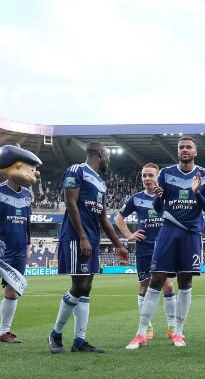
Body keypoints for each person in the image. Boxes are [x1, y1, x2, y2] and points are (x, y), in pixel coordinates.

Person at [134, 136, 205, 348]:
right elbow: (159, 207)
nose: (185, 150)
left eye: (189, 147)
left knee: (185, 282)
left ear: (195, 152)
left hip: (191, 233)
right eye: (181, 148)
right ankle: (141, 333)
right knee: (157, 279)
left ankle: (178, 332)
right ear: (177, 152)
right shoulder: (167, 174)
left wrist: (196, 192)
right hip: (168, 230)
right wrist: (159, 197)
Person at [49, 142, 129, 353]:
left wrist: (119, 245)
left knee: (87, 288)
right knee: (79, 286)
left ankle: (80, 340)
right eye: (108, 155)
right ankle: (55, 334)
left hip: (92, 238)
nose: (109, 160)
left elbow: (103, 219)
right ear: (100, 153)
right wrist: (82, 236)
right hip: (77, 237)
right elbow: (71, 203)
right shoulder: (76, 170)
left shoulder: (101, 182)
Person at [117, 163, 177, 349]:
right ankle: (147, 326)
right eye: (144, 175)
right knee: (144, 284)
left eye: (150, 175)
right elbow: (118, 218)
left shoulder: (167, 196)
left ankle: (172, 327)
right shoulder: (136, 199)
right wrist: (128, 235)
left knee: (168, 284)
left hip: (165, 247)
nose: (147, 179)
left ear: (158, 177)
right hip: (144, 248)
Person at [0, 145, 42, 343]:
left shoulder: (27, 195)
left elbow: (27, 223)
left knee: (12, 290)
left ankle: (4, 332)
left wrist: (27, 247)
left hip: (18, 250)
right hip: (2, 248)